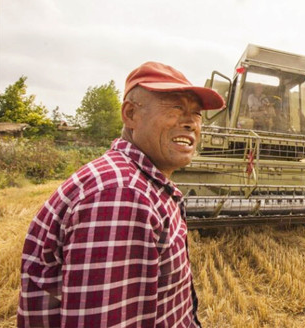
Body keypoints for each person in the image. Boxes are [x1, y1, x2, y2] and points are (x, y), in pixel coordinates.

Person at [17, 62, 225, 328]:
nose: (190, 122)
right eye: (175, 108)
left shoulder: (136, 183)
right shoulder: (121, 195)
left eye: (196, 114)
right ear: (130, 114)